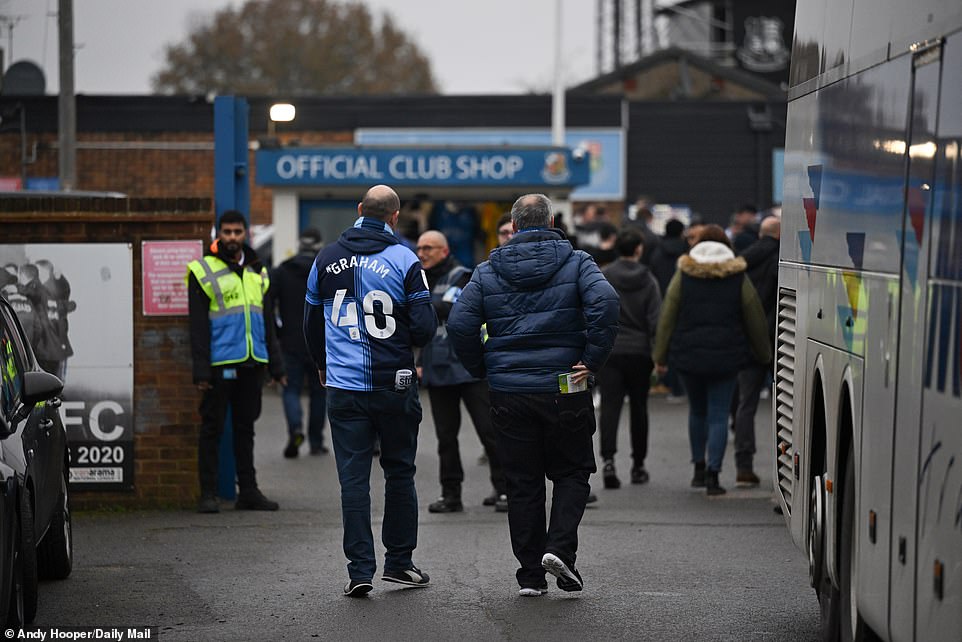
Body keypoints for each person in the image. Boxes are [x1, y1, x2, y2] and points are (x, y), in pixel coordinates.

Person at [449, 193, 619, 597]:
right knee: (573, 471)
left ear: (515, 224)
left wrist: (482, 369)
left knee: (522, 483)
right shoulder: (578, 262)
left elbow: (459, 324)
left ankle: (529, 576)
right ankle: (559, 547)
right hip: (567, 383)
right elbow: (607, 303)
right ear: (552, 220)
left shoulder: (488, 270)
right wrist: (591, 360)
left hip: (509, 389)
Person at [304, 185, 437, 598]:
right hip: (393, 384)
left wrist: (323, 365)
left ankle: (359, 570)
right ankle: (399, 563)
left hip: (343, 386)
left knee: (353, 480)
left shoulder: (324, 258)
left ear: (360, 210)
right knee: (400, 472)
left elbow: (310, 323)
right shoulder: (404, 259)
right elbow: (425, 328)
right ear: (394, 217)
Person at [653, 225, 771, 496]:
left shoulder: (683, 275)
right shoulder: (737, 276)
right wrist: (764, 354)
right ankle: (713, 475)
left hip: (689, 354)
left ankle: (697, 467)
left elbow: (667, 316)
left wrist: (660, 356)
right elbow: (754, 317)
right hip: (726, 355)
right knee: (719, 415)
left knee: (697, 411)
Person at [188, 210, 286, 514]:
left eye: (237, 232)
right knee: (212, 428)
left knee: (246, 429)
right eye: (227, 232)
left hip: (252, 362)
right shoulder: (202, 269)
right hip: (219, 364)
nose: (232, 237)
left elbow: (267, 320)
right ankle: (208, 493)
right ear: (219, 233)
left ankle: (249, 491)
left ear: (246, 234)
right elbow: (198, 326)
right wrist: (201, 368)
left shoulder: (259, 270)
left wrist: (276, 365)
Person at [416, 230, 508, 513]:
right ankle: (450, 494)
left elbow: (451, 308)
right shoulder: (417, 279)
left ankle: (504, 490)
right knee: (445, 437)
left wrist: (422, 304)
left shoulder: (463, 276)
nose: (422, 253)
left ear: (444, 251)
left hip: (469, 368)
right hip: (437, 368)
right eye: (419, 248)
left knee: (489, 431)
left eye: (428, 248)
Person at [599, 229, 662, 488]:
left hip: (610, 351)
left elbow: (596, 311)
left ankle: (608, 461)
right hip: (639, 352)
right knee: (639, 408)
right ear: (638, 249)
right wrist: (658, 353)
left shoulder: (604, 276)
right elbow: (655, 319)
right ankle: (638, 465)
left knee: (610, 408)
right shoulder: (648, 280)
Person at [271, 228, 329, 458]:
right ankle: (316, 442)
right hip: (320, 341)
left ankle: (295, 428)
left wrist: (278, 332)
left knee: (290, 389)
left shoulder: (282, 271)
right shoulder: (325, 271)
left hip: (290, 341)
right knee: (319, 392)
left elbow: (269, 305)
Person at [732, 216, 780, 486]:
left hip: (747, 340)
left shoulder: (742, 261)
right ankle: (783, 466)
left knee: (745, 404)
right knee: (785, 405)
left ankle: (743, 465)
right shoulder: (784, 259)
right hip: (779, 340)